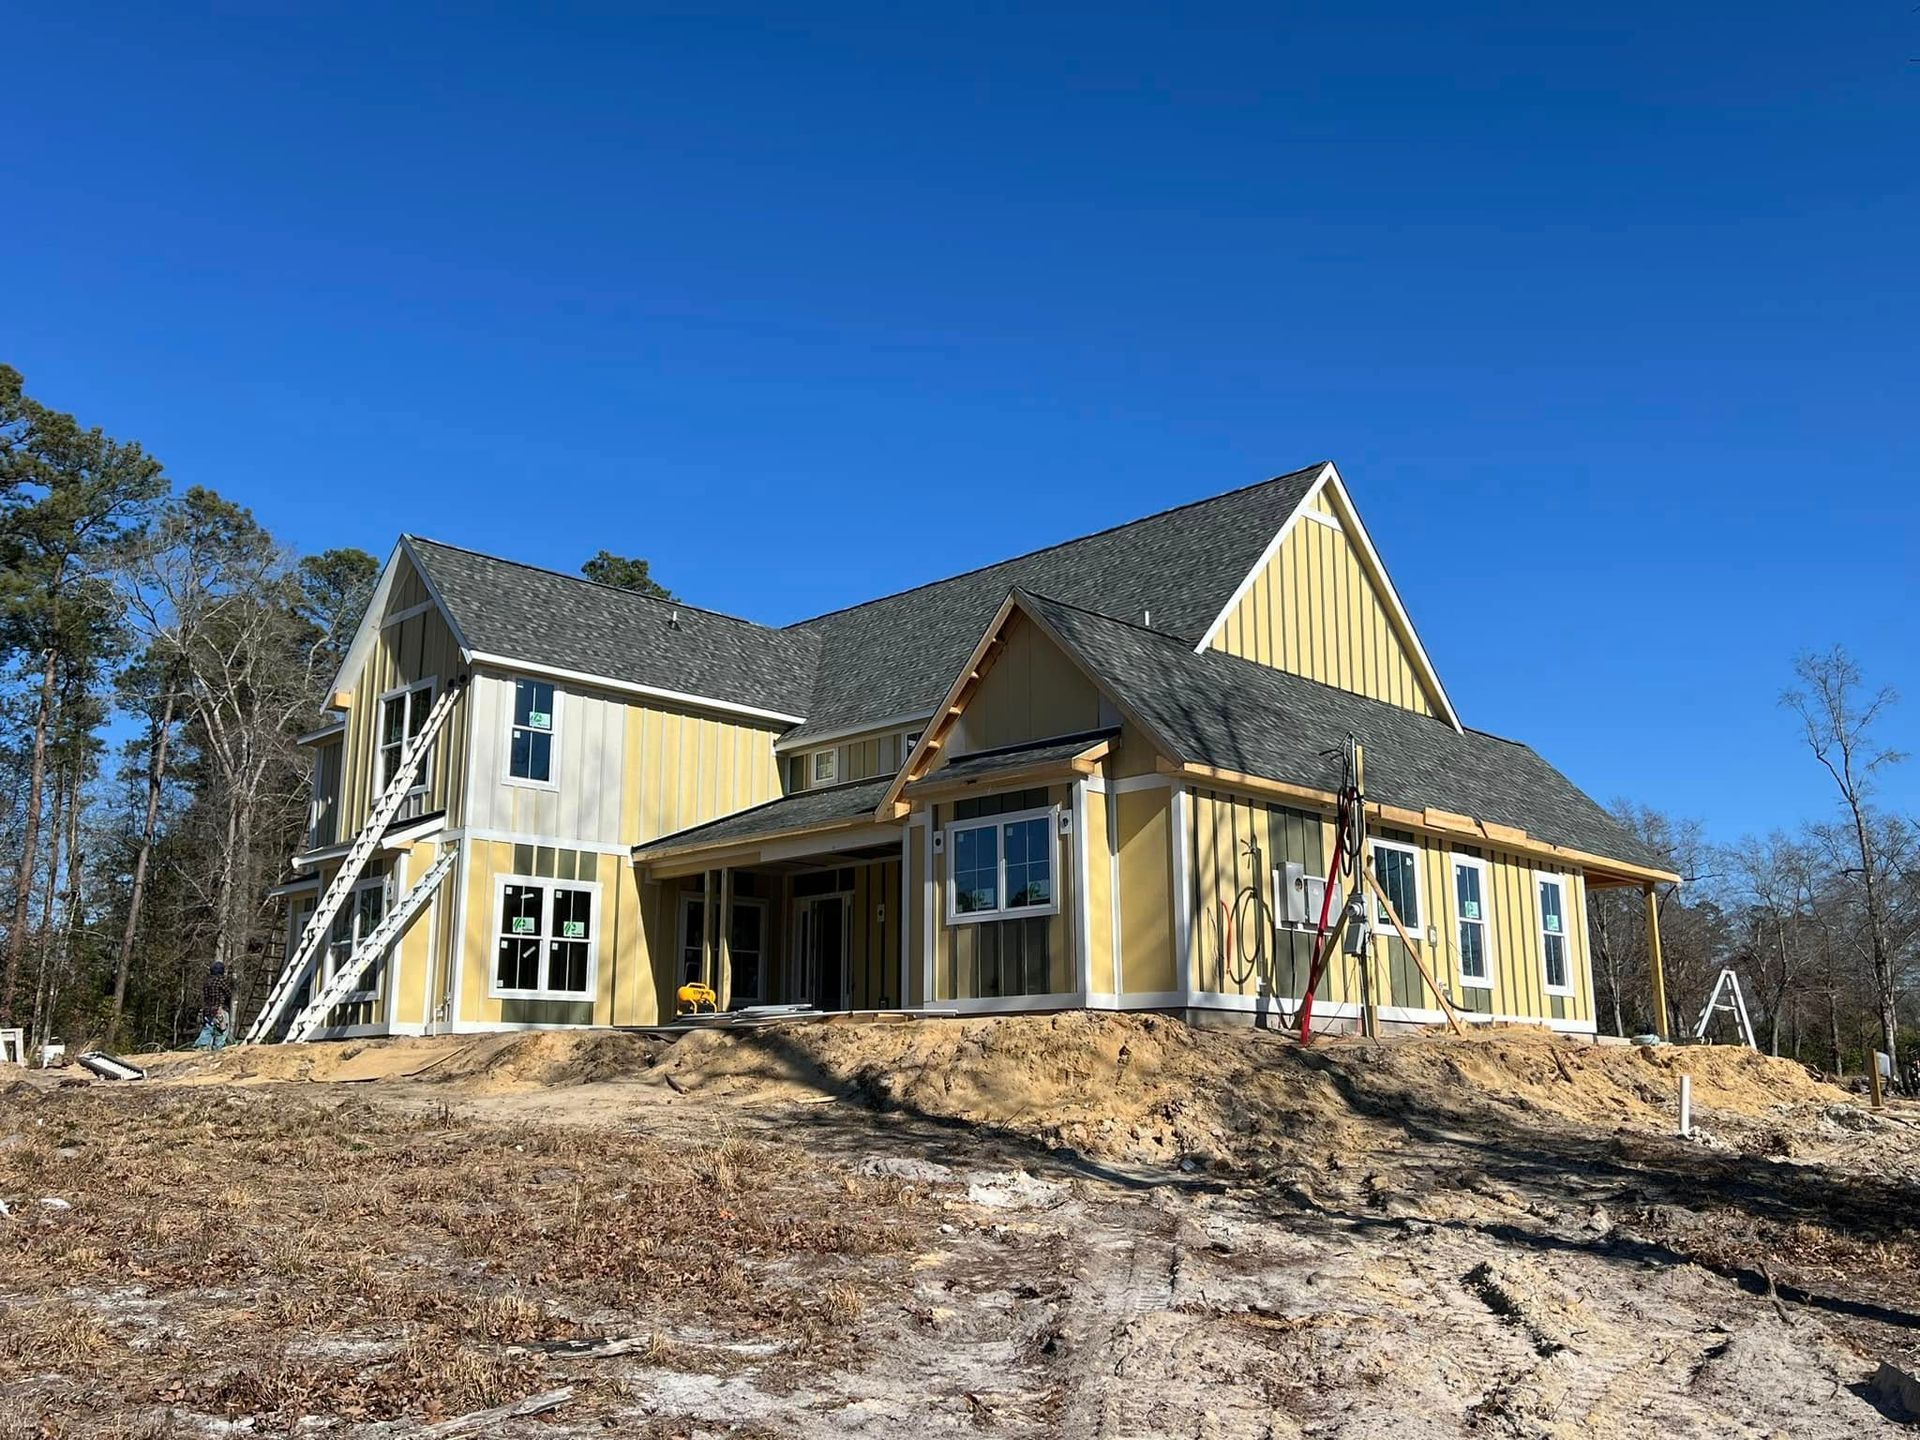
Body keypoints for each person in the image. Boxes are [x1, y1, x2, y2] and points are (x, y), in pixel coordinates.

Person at [193, 961, 234, 1051]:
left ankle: (201, 1047)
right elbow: (228, 993)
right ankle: (217, 1051)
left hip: (207, 1010)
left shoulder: (207, 981)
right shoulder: (220, 980)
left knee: (208, 1029)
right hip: (219, 1010)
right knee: (221, 1032)